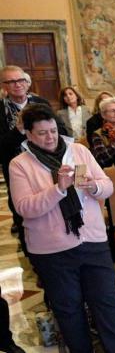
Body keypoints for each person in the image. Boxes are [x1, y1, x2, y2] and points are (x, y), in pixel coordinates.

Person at [11, 104, 115, 353]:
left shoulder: (77, 151)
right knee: (69, 307)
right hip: (52, 250)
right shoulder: (21, 164)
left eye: (52, 130)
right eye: (41, 133)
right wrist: (58, 190)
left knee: (106, 301)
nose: (50, 137)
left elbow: (108, 186)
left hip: (92, 239)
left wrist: (94, 187)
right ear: (28, 134)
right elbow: (25, 208)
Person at [1, 66, 52, 236]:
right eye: (11, 81)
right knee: (23, 210)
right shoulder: (1, 109)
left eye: (20, 80)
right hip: (16, 166)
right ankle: (31, 249)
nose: (17, 85)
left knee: (51, 201)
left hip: (47, 163)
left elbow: (59, 130)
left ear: (26, 82)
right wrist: (19, 130)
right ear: (4, 86)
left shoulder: (41, 103)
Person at [90, 97, 115, 168]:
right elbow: (102, 158)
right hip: (111, 171)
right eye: (113, 111)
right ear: (103, 115)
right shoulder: (98, 133)